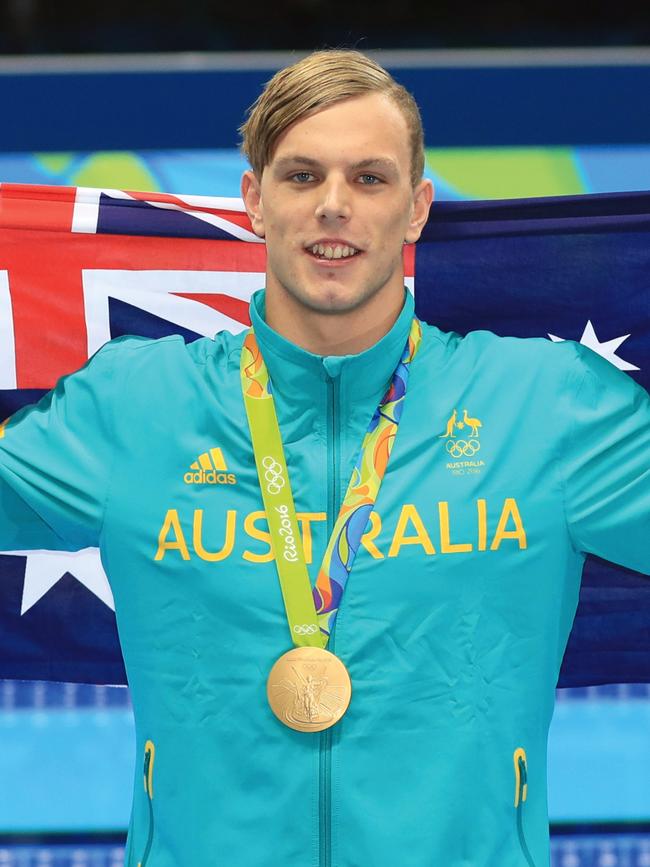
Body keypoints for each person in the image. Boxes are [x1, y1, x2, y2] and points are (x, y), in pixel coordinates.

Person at [0, 48, 648, 867]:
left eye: (369, 180)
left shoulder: (546, 406)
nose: (334, 207)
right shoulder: (136, 406)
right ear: (253, 202)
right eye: (302, 177)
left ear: (416, 209)